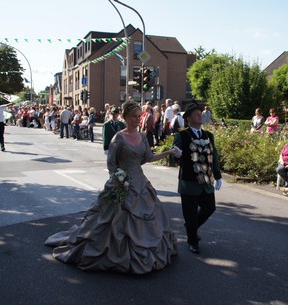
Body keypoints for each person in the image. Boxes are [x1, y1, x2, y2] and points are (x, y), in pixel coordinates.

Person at [44, 101, 181, 274]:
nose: (137, 120)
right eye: (134, 116)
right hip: (121, 182)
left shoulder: (143, 137)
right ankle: (115, 253)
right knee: (113, 219)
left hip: (140, 182)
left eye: (139, 116)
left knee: (147, 214)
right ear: (125, 117)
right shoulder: (119, 137)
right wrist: (120, 180)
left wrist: (168, 152)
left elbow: (148, 158)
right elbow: (111, 164)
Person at [173, 102, 222, 254]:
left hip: (206, 181)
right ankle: (192, 241)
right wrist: (178, 156)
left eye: (200, 113)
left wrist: (218, 176)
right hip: (189, 181)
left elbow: (214, 157)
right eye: (196, 114)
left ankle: (191, 227)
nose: (200, 115)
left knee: (209, 207)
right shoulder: (182, 135)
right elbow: (175, 155)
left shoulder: (209, 135)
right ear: (188, 119)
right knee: (190, 212)